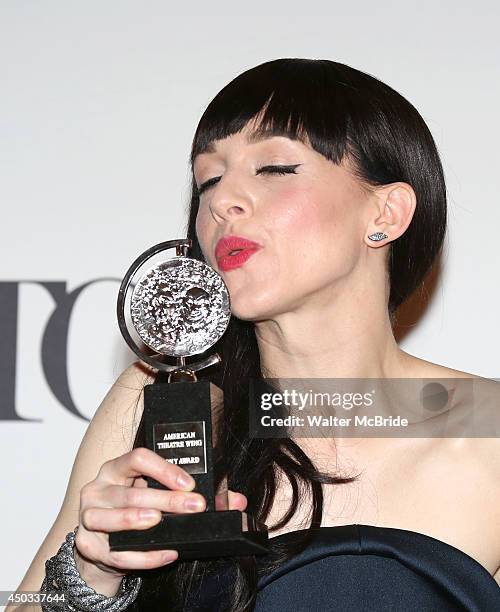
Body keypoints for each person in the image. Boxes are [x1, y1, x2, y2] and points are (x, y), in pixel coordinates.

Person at [10, 58, 500, 612]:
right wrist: (90, 570)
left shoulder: (490, 431)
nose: (221, 201)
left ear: (385, 212)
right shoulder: (165, 404)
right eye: (208, 180)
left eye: (273, 168)